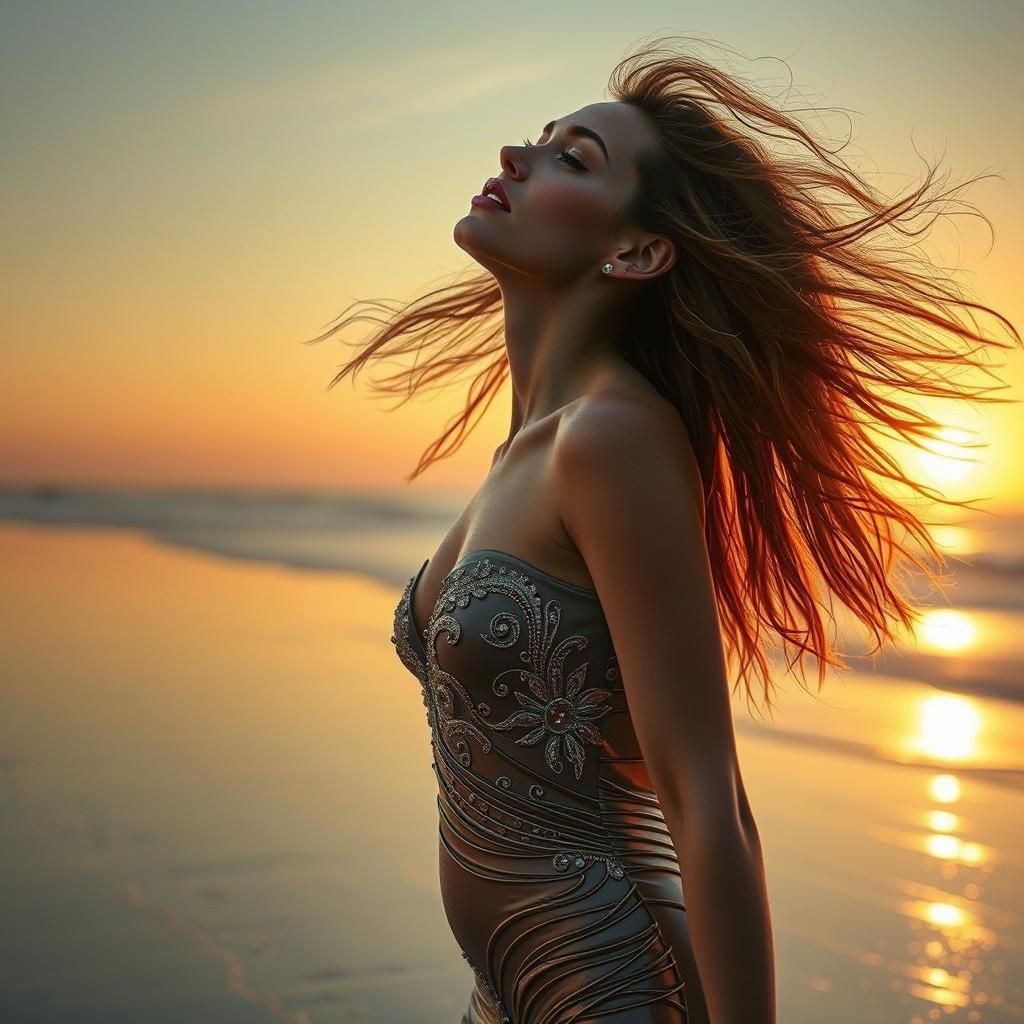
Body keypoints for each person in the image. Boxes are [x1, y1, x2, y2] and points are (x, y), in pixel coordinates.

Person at [312, 34, 1020, 1024]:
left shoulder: (611, 439)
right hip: (503, 993)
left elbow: (707, 796)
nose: (519, 155)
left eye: (573, 159)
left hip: (614, 982)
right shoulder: (528, 449)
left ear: (636, 251)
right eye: (542, 137)